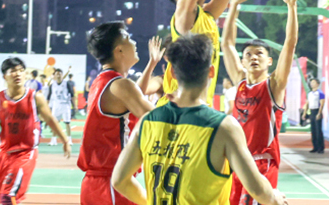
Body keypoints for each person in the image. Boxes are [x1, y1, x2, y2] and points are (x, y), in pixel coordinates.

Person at [112, 33, 288, 205]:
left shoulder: (147, 121)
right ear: (211, 72)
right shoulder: (223, 127)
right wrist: (275, 198)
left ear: (172, 72)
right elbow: (258, 190)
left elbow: (119, 180)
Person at [221, 0, 299, 205]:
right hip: (238, 162)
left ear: (269, 61)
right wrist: (233, 6)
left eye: (259, 54)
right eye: (248, 55)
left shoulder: (274, 85)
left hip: (262, 163)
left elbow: (290, 43)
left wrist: (291, 6)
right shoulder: (240, 83)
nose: (254, 57)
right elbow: (227, 44)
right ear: (243, 62)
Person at [77, 21, 164, 205]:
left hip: (97, 183)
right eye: (128, 38)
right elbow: (158, 119)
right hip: (112, 184)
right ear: (119, 50)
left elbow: (135, 95)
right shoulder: (120, 85)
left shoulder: (103, 81)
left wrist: (151, 64)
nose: (134, 42)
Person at [0, 57, 70, 205]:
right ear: (5, 76)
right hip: (5, 154)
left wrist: (65, 140)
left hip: (26, 153)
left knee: (8, 195)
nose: (18, 74)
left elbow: (50, 119)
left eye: (21, 70)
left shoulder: (35, 97)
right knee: (6, 198)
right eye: (13, 71)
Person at [47, 69, 75, 146]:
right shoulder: (52, 85)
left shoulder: (67, 83)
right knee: (55, 123)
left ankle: (69, 140)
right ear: (55, 75)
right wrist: (46, 106)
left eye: (60, 74)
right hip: (56, 105)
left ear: (62, 75)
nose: (58, 75)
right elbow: (49, 96)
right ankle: (53, 140)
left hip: (65, 105)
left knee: (67, 122)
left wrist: (74, 105)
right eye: (57, 74)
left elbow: (72, 95)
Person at [302, 78, 325, 154]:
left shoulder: (320, 93)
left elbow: (322, 104)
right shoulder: (310, 94)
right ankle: (315, 147)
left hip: (317, 111)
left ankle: (320, 148)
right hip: (311, 112)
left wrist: (319, 113)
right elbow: (307, 104)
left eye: (314, 82)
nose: (312, 84)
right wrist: (304, 113)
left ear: (317, 84)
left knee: (318, 131)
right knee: (313, 130)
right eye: (311, 82)